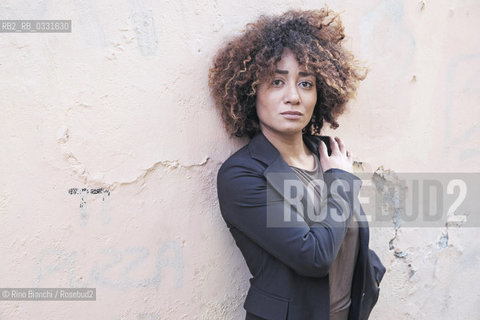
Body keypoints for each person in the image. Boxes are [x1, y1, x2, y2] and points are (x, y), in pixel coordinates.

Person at [208, 8, 386, 320]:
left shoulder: (328, 155)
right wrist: (341, 183)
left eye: (306, 83)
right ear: (252, 92)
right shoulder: (242, 175)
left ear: (321, 93)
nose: (293, 96)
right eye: (277, 81)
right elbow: (314, 257)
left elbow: (348, 237)